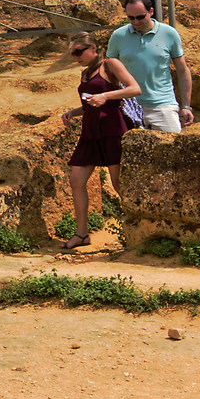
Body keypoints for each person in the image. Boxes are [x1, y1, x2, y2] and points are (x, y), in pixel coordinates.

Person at [60, 31, 141, 249]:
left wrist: (106, 96)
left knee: (118, 183)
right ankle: (81, 234)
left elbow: (135, 89)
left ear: (94, 48)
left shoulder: (110, 64)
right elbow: (90, 104)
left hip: (112, 128)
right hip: (90, 130)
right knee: (76, 180)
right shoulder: (85, 73)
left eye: (79, 51)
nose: (76, 57)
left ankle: (139, 230)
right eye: (72, 54)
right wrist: (73, 112)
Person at [106, 0, 190, 133]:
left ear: (151, 11)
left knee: (170, 145)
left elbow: (182, 70)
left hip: (163, 105)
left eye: (140, 17)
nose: (135, 22)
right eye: (131, 18)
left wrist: (186, 106)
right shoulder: (118, 36)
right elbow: (108, 71)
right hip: (129, 106)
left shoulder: (169, 33)